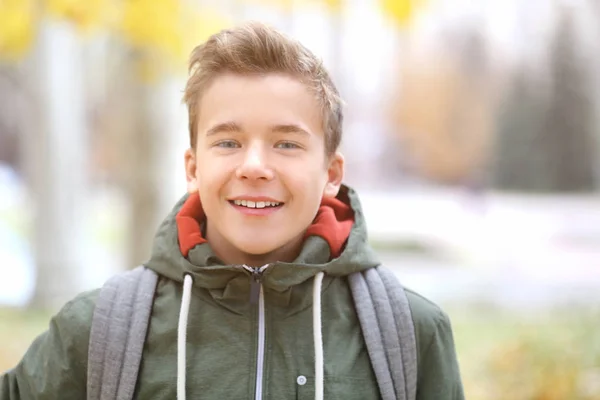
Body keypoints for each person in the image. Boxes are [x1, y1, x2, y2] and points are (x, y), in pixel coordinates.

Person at [0, 21, 464, 400]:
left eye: (286, 143)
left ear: (332, 171)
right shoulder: (98, 330)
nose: (255, 166)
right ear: (193, 167)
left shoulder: (408, 335)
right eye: (228, 142)